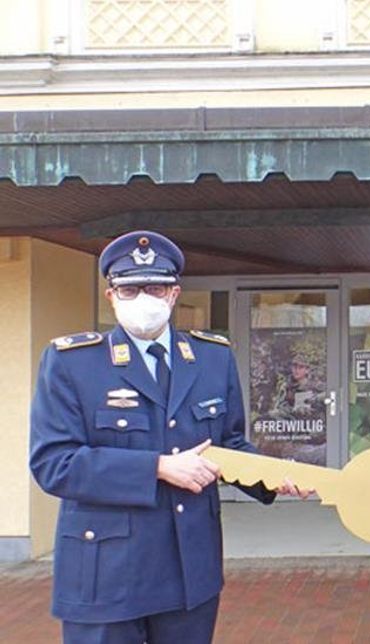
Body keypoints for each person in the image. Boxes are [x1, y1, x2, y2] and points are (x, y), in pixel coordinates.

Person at [30, 230, 304, 644]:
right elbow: (55, 464)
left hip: (188, 570)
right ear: (111, 297)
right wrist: (157, 467)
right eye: (129, 289)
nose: (143, 299)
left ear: (174, 295)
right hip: (106, 574)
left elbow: (228, 446)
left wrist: (273, 475)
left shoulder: (212, 358)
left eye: (154, 287)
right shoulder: (72, 362)